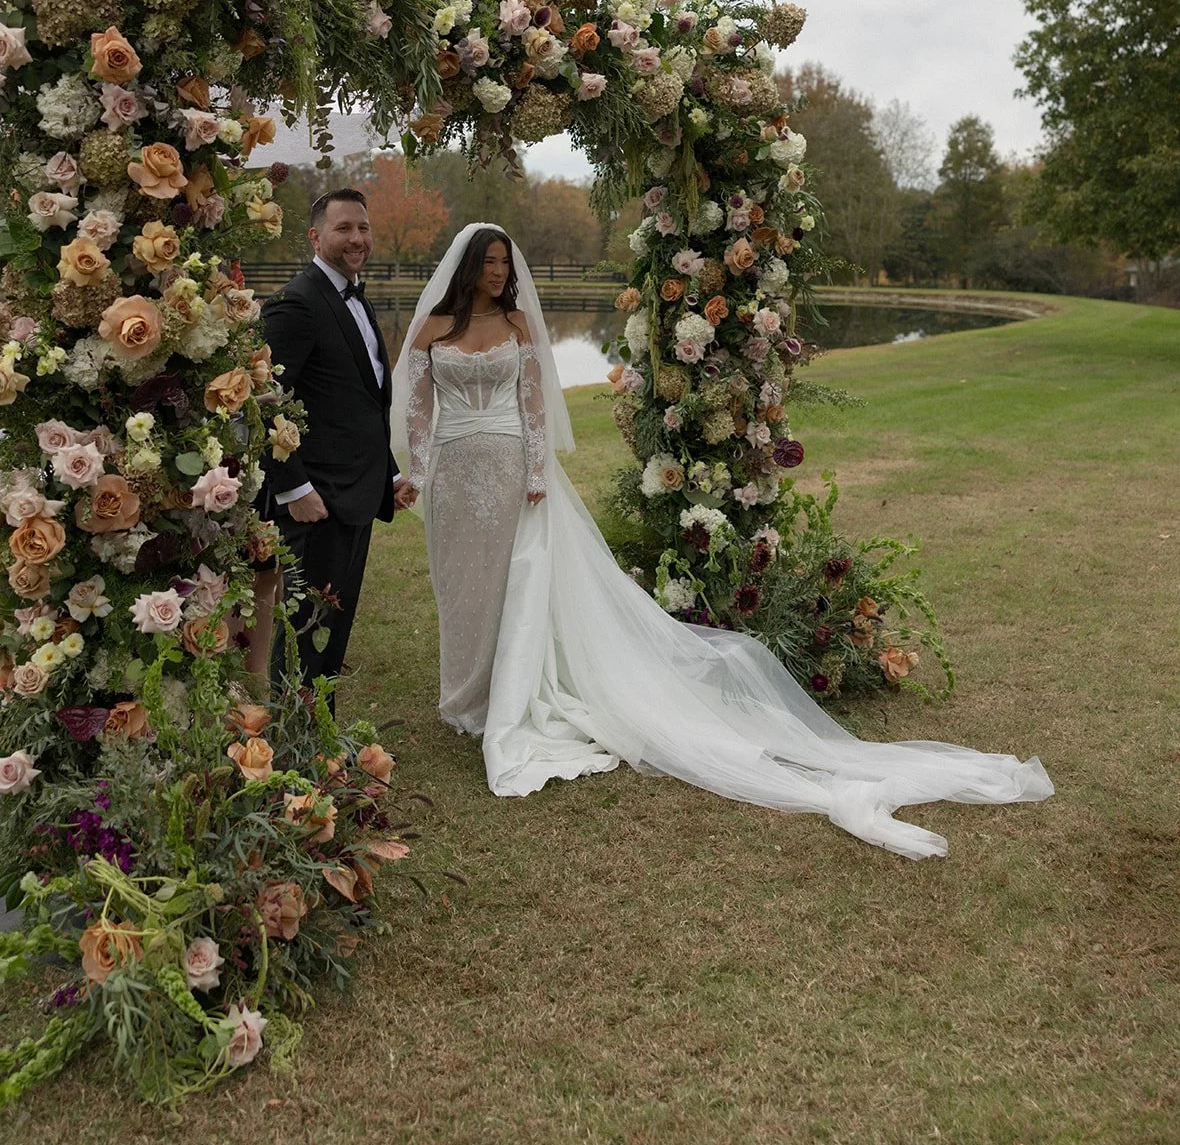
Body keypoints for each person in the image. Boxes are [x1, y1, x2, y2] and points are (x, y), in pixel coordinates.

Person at [389, 224, 1053, 860]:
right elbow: (419, 409)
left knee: (515, 585)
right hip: (452, 473)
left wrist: (538, 471)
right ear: (468, 267)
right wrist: (413, 471)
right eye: (491, 261)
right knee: (462, 582)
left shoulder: (518, 325)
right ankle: (466, 696)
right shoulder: (431, 327)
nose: (500, 272)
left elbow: (534, 406)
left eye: (507, 262)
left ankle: (507, 697)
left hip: (512, 473)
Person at [261, 187, 414, 700]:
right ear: (315, 236)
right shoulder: (295, 304)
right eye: (344, 228)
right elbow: (263, 402)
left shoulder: (354, 295)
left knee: (331, 627)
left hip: (355, 492)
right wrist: (294, 488)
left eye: (363, 228)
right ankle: (289, 747)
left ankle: (316, 741)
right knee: (304, 629)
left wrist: (388, 473)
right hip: (316, 499)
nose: (357, 238)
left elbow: (358, 403)